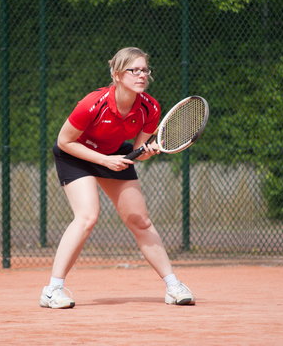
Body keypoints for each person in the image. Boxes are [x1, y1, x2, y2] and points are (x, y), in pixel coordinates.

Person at [39, 47, 195, 309]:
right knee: (87, 216)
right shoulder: (92, 103)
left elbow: (139, 150)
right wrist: (104, 160)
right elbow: (64, 141)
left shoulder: (150, 108)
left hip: (114, 154)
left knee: (140, 221)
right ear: (117, 74)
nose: (141, 75)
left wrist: (149, 151)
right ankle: (52, 290)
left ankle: (173, 286)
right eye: (134, 70)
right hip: (76, 155)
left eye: (145, 70)